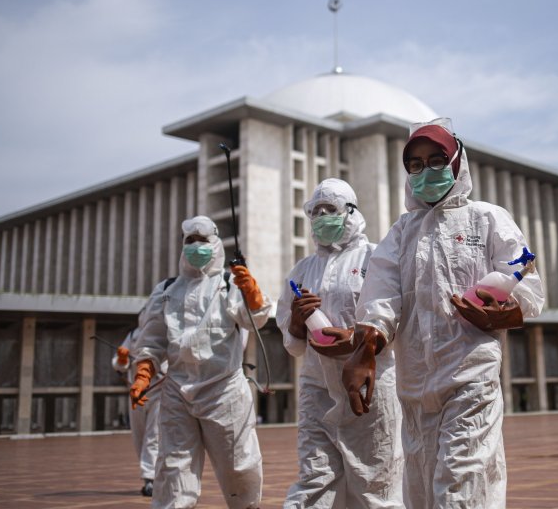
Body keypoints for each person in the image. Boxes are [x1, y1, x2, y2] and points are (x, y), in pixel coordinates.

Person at [342, 118, 544, 508]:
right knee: (420, 488)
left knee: (460, 483)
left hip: (471, 375)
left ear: (456, 164)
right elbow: (380, 299)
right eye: (415, 164)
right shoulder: (401, 233)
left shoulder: (486, 218)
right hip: (414, 385)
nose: (425, 171)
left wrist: (503, 313)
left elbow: (527, 284)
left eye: (437, 160)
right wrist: (364, 352)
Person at [276, 178, 403, 508]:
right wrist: (296, 319)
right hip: (317, 387)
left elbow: (396, 315)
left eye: (329, 209)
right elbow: (293, 343)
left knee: (376, 482)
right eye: (315, 212)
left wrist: (356, 341)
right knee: (314, 478)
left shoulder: (377, 258)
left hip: (369, 389)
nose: (321, 217)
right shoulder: (303, 270)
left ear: (350, 212)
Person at [131, 215, 270, 509]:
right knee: (172, 467)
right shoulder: (167, 290)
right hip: (176, 392)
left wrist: (253, 295)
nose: (196, 247)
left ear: (216, 244)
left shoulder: (230, 282)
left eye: (203, 241)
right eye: (190, 241)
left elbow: (254, 320)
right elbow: (153, 337)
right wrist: (144, 370)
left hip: (224, 391)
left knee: (238, 465)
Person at [112, 309, 167, 497]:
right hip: (137, 391)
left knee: (154, 434)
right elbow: (120, 365)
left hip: (159, 390)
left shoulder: (164, 331)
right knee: (139, 435)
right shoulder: (133, 335)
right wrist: (121, 358)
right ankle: (149, 474)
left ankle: (150, 479)